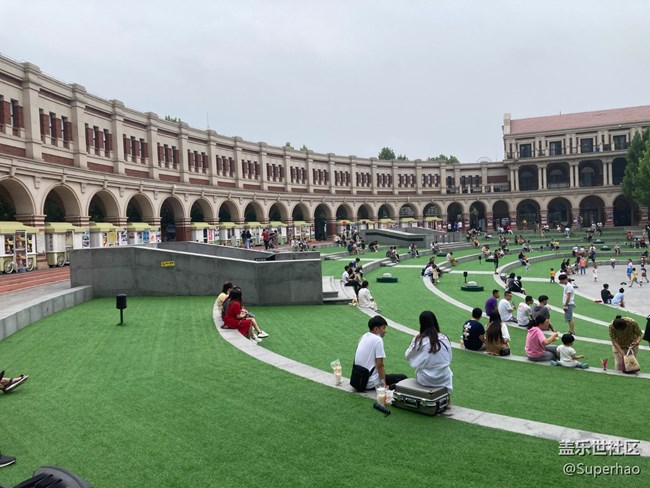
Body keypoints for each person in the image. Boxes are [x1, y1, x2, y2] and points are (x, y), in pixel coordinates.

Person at [405, 311, 453, 392]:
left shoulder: (419, 340)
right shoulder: (444, 338)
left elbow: (407, 356)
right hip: (444, 378)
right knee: (447, 373)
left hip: (425, 379)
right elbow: (449, 357)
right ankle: (447, 398)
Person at [355, 315, 406, 389]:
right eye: (383, 328)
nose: (385, 331)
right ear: (376, 329)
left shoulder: (363, 336)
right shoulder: (378, 340)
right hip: (369, 382)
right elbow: (380, 365)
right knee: (403, 378)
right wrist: (383, 385)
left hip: (358, 380)